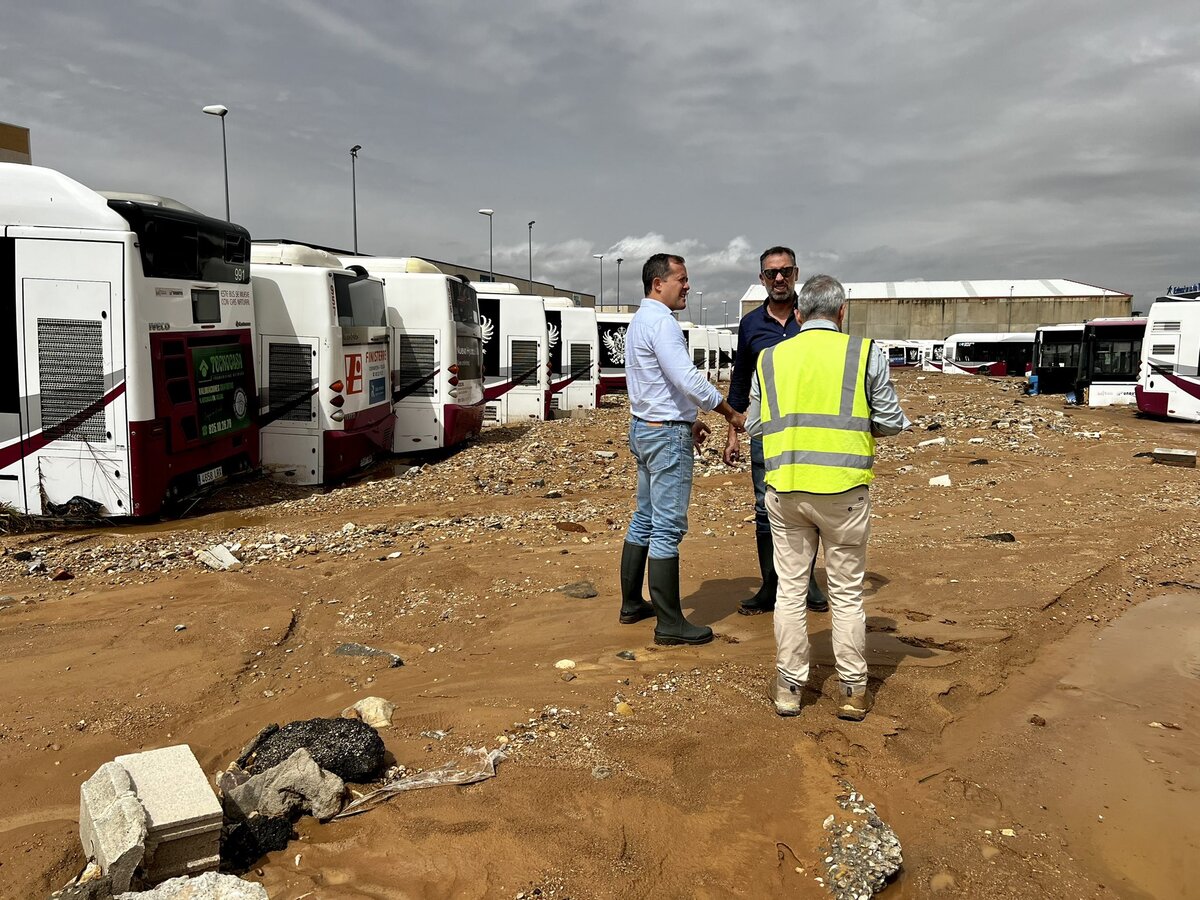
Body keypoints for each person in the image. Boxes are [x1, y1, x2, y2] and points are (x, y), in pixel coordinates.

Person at [747, 274, 910, 720]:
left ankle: (789, 688)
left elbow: (754, 425)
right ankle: (854, 690)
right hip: (844, 492)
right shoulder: (864, 353)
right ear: (842, 313)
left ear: (798, 314)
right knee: (846, 593)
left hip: (786, 488)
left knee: (790, 591)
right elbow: (892, 421)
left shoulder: (770, 358)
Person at [619, 253, 746, 646]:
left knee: (645, 517)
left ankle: (632, 604)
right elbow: (685, 376)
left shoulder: (640, 321)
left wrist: (687, 418)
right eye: (682, 279)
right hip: (664, 436)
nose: (687, 286)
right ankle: (670, 623)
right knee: (667, 527)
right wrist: (726, 409)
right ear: (659, 283)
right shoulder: (663, 323)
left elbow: (655, 383)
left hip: (644, 427)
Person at [723, 247, 829, 617]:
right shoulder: (751, 325)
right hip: (765, 430)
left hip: (806, 432)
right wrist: (733, 431)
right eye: (771, 274)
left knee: (807, 504)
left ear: (796, 273)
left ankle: (808, 581)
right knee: (764, 509)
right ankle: (770, 583)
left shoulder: (814, 318)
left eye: (785, 272)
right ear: (761, 279)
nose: (779, 279)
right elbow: (740, 378)